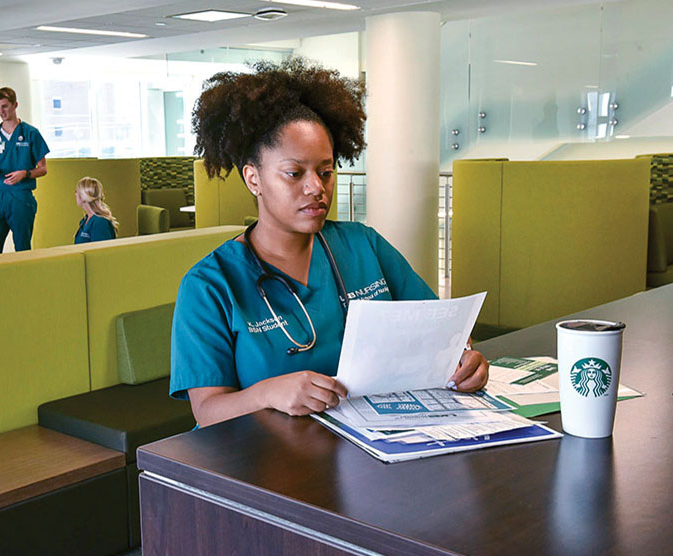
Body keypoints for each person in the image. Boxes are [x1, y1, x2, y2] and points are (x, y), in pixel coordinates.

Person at [170, 58, 489, 427]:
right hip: (265, 463)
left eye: (325, 172)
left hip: (374, 445)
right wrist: (267, 393)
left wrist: (465, 360)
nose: (316, 188)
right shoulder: (210, 285)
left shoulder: (363, 246)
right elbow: (206, 412)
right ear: (253, 178)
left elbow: (442, 332)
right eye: (294, 173)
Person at [0, 87, 50, 255]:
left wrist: (25, 174)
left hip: (20, 197)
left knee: (22, 248)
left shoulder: (31, 134)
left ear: (15, 105)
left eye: (5, 106)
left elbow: (43, 169)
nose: (1, 111)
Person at [74, 176, 118, 244]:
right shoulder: (84, 220)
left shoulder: (100, 223)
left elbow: (102, 252)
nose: (75, 194)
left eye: (76, 192)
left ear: (83, 196)